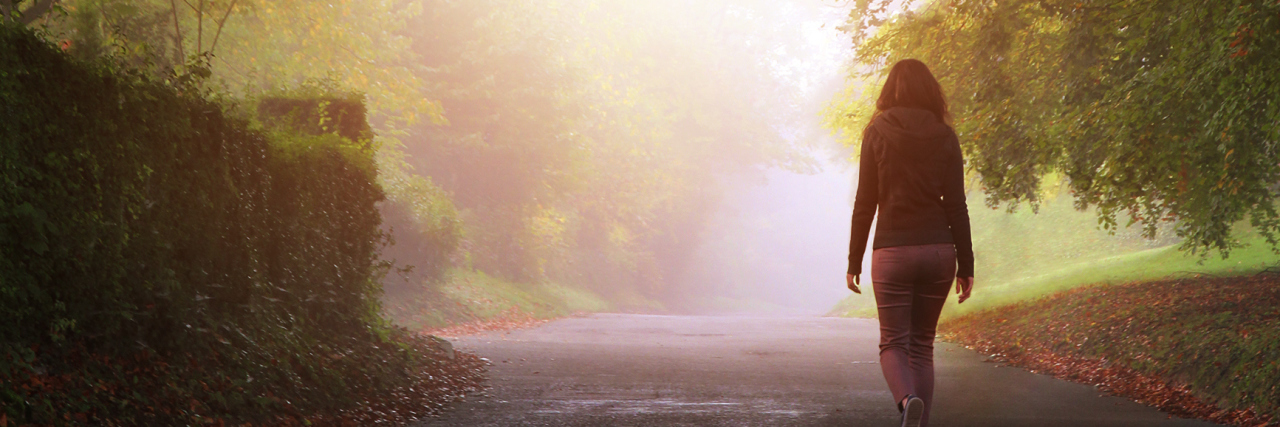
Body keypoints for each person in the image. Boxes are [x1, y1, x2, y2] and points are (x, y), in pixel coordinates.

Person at [845, 58, 975, 427]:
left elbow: (865, 201)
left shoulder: (876, 132)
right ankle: (919, 420)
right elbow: (956, 204)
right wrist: (966, 264)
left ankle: (907, 401)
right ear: (930, 90)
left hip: (893, 251)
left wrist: (854, 260)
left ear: (891, 90)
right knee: (922, 345)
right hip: (938, 250)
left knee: (893, 343)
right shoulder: (945, 136)